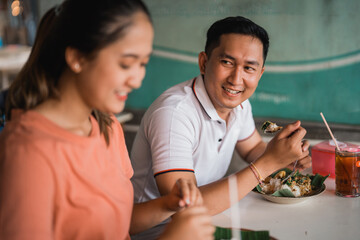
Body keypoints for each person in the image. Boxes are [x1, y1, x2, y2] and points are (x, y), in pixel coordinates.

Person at [0, 0, 215, 239]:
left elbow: (116, 222)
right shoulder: (29, 150)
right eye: (125, 64)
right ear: (77, 58)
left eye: (143, 64)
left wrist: (169, 204)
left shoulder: (104, 125)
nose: (136, 80)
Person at [130, 16, 312, 239]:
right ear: (204, 62)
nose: (237, 79)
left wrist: (285, 156)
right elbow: (184, 207)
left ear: (260, 73)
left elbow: (253, 149)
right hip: (161, 234)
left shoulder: (240, 105)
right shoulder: (174, 113)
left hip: (209, 222)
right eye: (227, 62)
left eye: (249, 68)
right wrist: (267, 164)